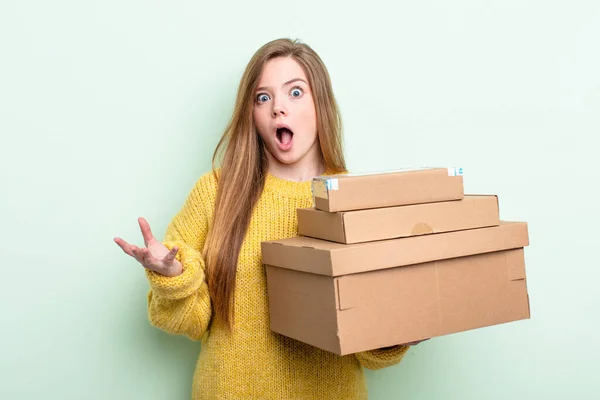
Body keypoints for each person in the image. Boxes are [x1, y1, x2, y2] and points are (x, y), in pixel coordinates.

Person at [114, 38, 425, 399]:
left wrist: (399, 332)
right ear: (252, 114)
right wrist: (173, 276)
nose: (278, 108)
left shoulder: (356, 200)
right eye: (263, 97)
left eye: (295, 92)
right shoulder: (215, 192)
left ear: (320, 103)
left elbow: (369, 348)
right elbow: (191, 321)